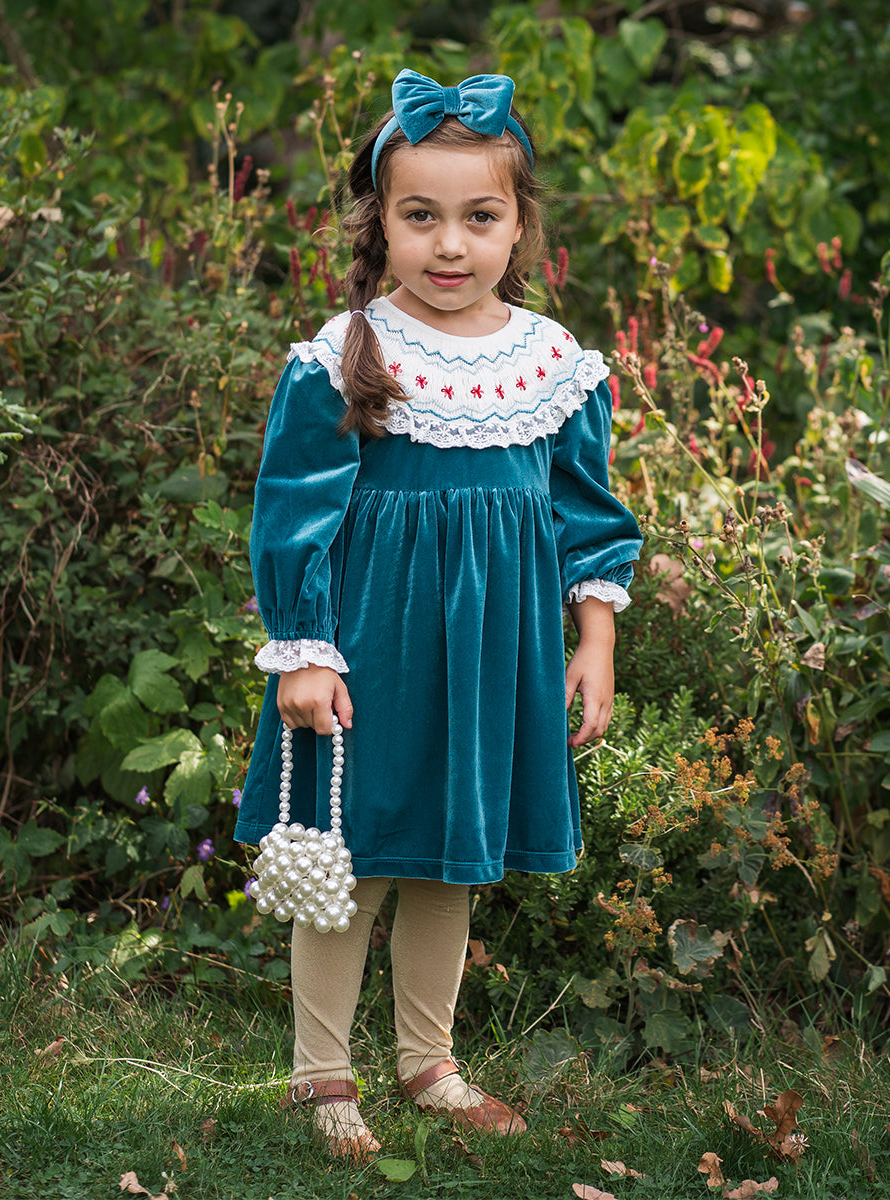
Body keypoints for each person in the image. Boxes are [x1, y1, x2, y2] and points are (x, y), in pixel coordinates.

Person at [234, 67, 642, 1160]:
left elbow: (585, 513)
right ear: (382, 221)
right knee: (355, 856)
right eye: (421, 217)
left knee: (450, 855)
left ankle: (430, 1061)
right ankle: (323, 1077)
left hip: (490, 652)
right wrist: (306, 652)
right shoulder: (349, 353)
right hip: (372, 648)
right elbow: (295, 514)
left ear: (519, 226)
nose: (450, 245)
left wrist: (594, 639)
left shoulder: (550, 362)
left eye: (480, 218)